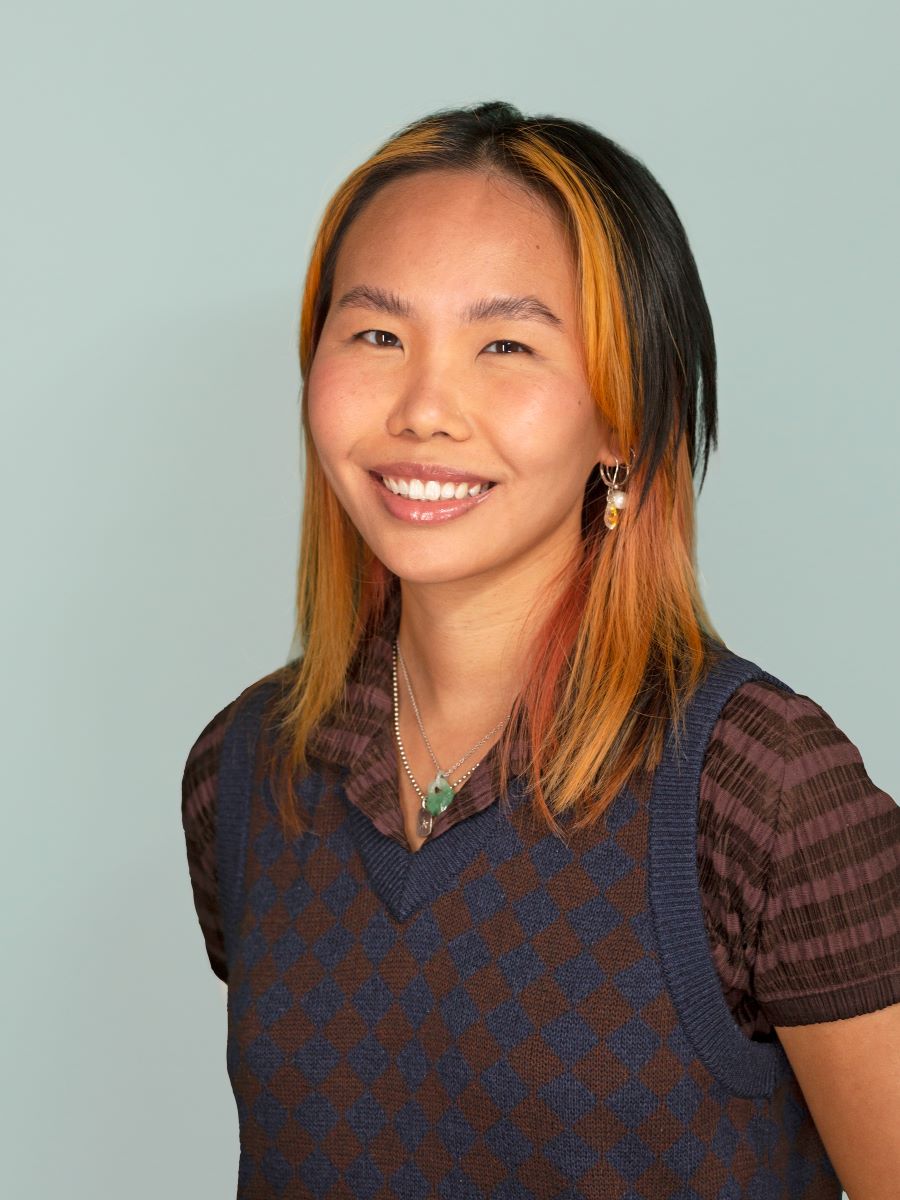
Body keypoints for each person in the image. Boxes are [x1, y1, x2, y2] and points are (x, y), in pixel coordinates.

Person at [181, 101, 899, 1199]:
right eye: (376, 335)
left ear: (623, 417)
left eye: (506, 345)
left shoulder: (764, 791)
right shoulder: (244, 770)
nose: (425, 409)